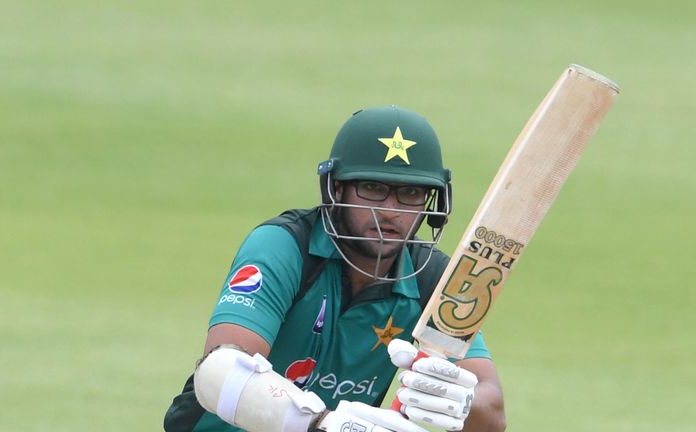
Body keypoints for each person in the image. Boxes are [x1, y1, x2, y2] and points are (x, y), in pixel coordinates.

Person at [164, 106, 506, 432]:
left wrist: (456, 398)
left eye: (411, 193)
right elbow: (219, 372)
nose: (390, 211)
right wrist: (321, 423)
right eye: (372, 188)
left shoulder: (433, 279)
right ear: (336, 188)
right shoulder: (285, 246)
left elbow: (492, 415)